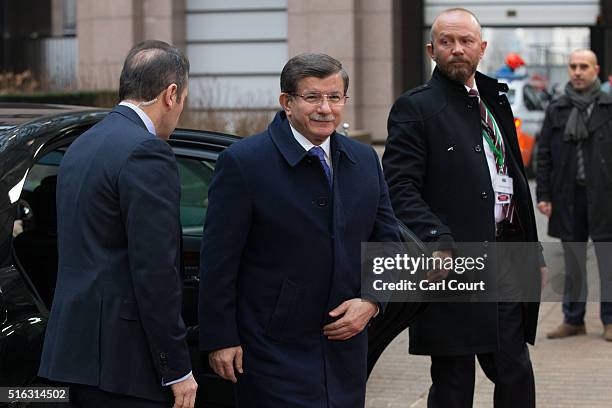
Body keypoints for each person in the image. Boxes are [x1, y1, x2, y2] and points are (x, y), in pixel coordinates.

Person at [198, 53, 400, 407]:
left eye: (334, 97)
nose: (326, 108)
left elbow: (388, 243)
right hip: (270, 349)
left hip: (344, 348)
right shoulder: (244, 162)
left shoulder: (365, 160)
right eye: (312, 97)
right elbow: (218, 260)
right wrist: (220, 337)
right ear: (287, 103)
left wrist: (372, 301)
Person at [383, 8, 542, 408]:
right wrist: (437, 238)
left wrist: (531, 248)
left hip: (505, 254)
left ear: (481, 48)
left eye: (466, 41)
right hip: (453, 260)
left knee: (514, 370)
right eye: (447, 42)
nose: (457, 49)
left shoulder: (494, 99)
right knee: (454, 380)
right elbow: (398, 187)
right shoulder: (414, 108)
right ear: (431, 49)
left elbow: (514, 179)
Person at [38, 40, 198, 407]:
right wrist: (176, 368)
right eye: (184, 98)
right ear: (171, 94)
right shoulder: (147, 150)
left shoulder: (82, 143)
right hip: (124, 367)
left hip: (69, 355)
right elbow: (154, 271)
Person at [536, 49, 612, 342]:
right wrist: (544, 193)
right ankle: (573, 319)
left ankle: (609, 319)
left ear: (596, 69)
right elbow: (544, 155)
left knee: (607, 259)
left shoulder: (607, 106)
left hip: (605, 195)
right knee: (574, 259)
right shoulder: (557, 108)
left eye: (583, 66)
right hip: (568, 195)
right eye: (572, 66)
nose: (577, 72)